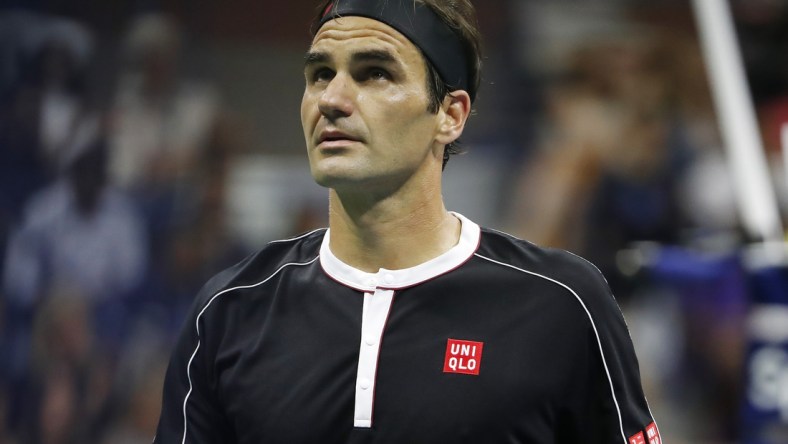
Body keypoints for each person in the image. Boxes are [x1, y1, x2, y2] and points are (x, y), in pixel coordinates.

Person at [155, 1, 660, 442]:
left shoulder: (563, 304)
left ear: (451, 114)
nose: (332, 99)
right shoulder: (228, 311)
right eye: (319, 74)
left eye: (375, 72)